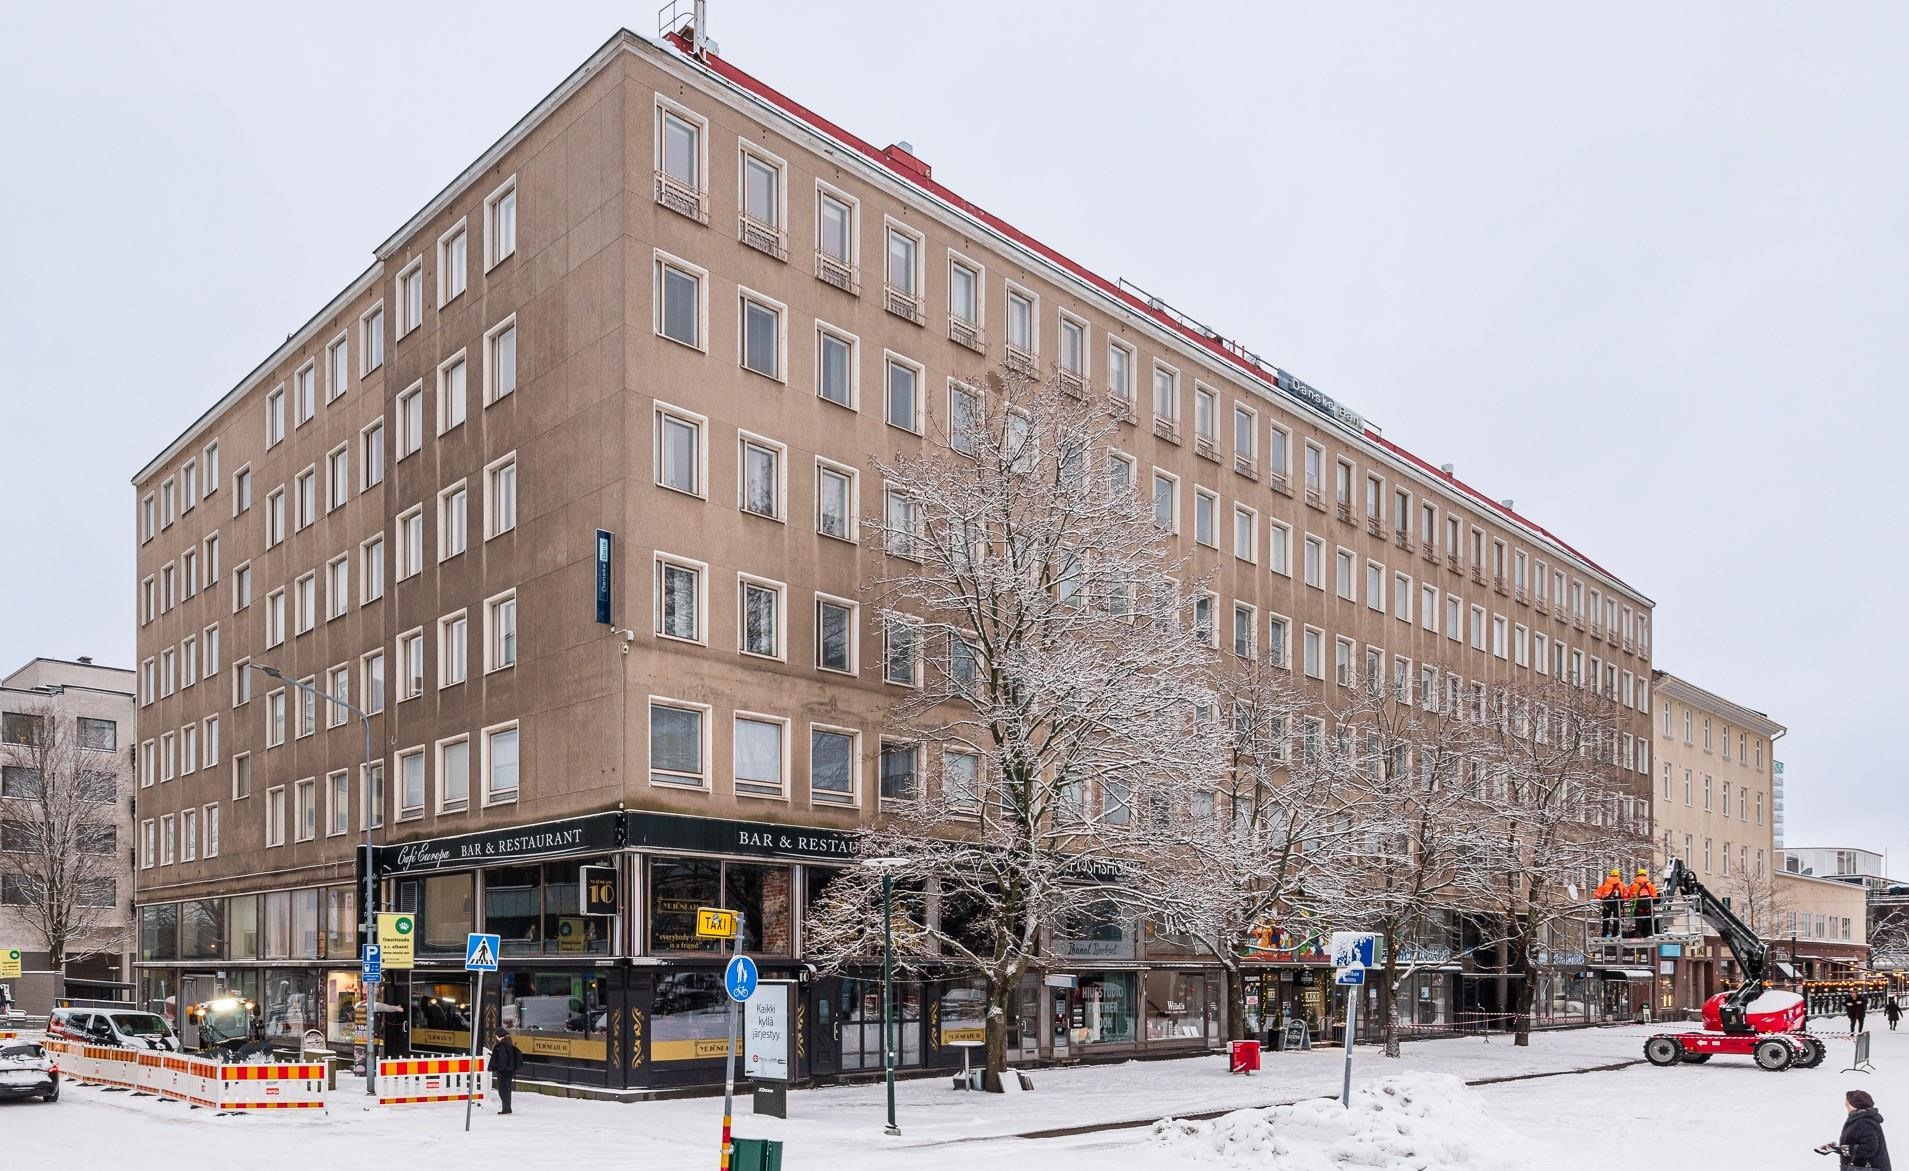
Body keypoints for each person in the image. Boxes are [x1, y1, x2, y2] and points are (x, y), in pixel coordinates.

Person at [1816, 1089, 1890, 1169]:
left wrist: (1842, 1149)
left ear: (1854, 1105)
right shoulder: (1859, 1119)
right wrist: (1836, 1148)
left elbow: (1868, 1148)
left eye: (1847, 1103)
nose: (1845, 1104)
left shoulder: (1864, 1122)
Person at [490, 1030, 523, 1115]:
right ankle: (507, 1108)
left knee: (503, 1090)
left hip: (503, 1071)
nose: (496, 1037)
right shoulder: (509, 1044)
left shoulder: (502, 1046)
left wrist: (500, 1068)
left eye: (496, 1036)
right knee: (507, 1090)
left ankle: (506, 1109)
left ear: (499, 1036)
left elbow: (503, 1059)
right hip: (509, 1070)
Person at [1628, 868, 1658, 939]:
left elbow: (1631, 896)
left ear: (1637, 875)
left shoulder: (1634, 884)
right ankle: (1649, 933)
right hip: (1648, 903)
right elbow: (1654, 895)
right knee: (1649, 918)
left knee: (1638, 919)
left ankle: (1638, 933)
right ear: (1645, 874)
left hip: (1638, 904)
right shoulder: (1650, 884)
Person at [1595, 869, 1625, 939]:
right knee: (1617, 919)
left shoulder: (1605, 884)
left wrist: (1602, 897)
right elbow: (1625, 895)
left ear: (1611, 875)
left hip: (1607, 903)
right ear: (1618, 875)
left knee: (1606, 919)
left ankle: (1604, 934)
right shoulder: (1621, 884)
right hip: (1617, 903)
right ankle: (1615, 934)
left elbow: (1597, 895)